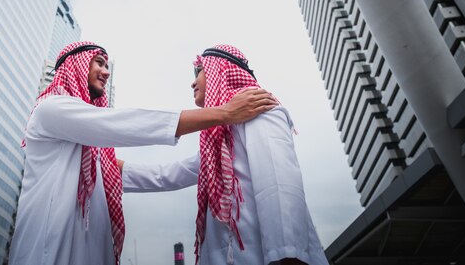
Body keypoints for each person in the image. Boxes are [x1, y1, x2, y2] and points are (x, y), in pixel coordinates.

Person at [7, 41, 277, 265]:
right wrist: (224, 114)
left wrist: (221, 150)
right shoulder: (50, 111)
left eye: (106, 65)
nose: (105, 71)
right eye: (99, 62)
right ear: (75, 65)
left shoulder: (98, 162)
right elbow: (120, 124)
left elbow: (162, 176)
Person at [120, 44, 329, 265]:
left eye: (198, 71)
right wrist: (108, 164)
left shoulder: (261, 112)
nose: (193, 81)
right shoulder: (217, 144)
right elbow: (168, 175)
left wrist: (289, 256)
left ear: (219, 70)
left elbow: (280, 188)